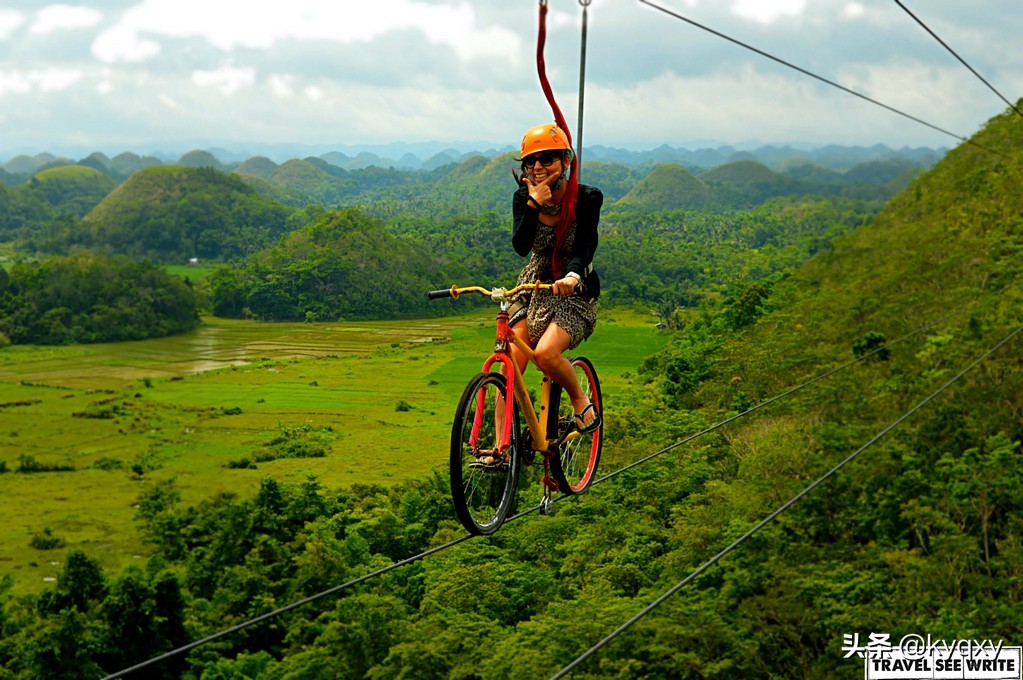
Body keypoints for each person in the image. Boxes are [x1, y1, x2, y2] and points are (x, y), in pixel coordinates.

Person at [510, 122, 603, 434]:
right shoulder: (523, 198)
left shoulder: (587, 199)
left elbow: (585, 244)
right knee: (511, 364)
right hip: (534, 284)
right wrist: (534, 203)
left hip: (571, 288)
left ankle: (579, 398)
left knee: (547, 354)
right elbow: (522, 247)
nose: (538, 167)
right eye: (531, 161)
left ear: (566, 161)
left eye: (547, 158)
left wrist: (574, 275)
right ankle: (499, 448)